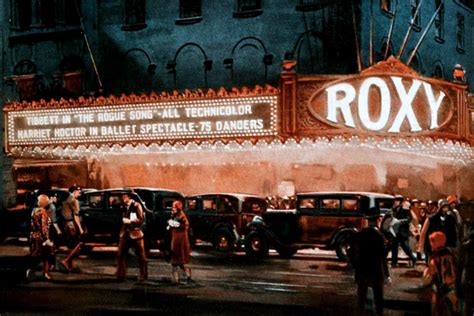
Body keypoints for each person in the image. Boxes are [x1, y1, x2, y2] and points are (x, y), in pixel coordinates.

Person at [349, 206, 389, 316]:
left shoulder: (360, 234)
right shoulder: (379, 236)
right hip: (376, 270)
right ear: (377, 220)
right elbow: (383, 256)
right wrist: (386, 274)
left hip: (362, 270)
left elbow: (352, 252)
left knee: (361, 297)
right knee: (378, 298)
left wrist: (355, 266)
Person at [422, 231, 459, 316]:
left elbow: (431, 275)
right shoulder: (452, 254)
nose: (430, 245)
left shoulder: (434, 258)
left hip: (442, 289)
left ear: (435, 243)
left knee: (437, 310)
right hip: (453, 287)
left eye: (431, 242)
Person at [116, 192, 147, 282]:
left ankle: (143, 275)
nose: (122, 198)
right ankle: (120, 275)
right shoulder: (123, 206)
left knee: (141, 255)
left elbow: (141, 219)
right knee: (121, 255)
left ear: (128, 197)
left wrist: (130, 221)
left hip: (135, 234)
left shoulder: (136, 205)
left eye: (124, 196)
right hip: (125, 233)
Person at [418, 199, 458, 264]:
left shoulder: (451, 219)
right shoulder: (431, 218)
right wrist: (421, 247)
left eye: (447, 207)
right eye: (444, 207)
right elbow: (423, 232)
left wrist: (453, 245)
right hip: (432, 244)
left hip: (445, 245)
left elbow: (453, 232)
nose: (445, 209)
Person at [27, 194, 54, 280]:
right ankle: (42, 273)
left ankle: (37, 272)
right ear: (44, 202)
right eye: (47, 201)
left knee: (35, 254)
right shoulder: (43, 212)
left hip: (33, 236)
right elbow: (44, 227)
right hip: (41, 238)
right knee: (45, 255)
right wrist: (47, 239)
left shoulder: (34, 210)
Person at [60, 185, 84, 272]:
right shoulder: (74, 201)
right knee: (78, 244)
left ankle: (70, 266)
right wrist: (80, 229)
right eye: (79, 192)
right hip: (71, 224)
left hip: (65, 224)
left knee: (72, 246)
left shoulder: (66, 200)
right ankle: (66, 261)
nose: (80, 194)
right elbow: (76, 216)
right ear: (74, 192)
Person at [168, 200, 193, 285]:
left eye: (174, 207)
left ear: (178, 208)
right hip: (175, 239)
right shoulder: (174, 215)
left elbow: (185, 226)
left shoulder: (182, 216)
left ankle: (177, 279)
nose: (173, 209)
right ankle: (178, 278)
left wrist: (177, 224)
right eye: (172, 207)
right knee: (176, 262)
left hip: (180, 241)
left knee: (177, 262)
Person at [391, 199, 417, 267]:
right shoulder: (395, 209)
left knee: (405, 246)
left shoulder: (405, 208)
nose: (396, 202)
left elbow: (408, 219)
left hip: (402, 230)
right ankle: (394, 262)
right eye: (395, 200)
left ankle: (413, 258)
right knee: (394, 246)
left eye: (397, 200)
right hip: (396, 230)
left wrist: (399, 222)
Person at [458, 222, 474, 316]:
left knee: (468, 306)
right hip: (469, 279)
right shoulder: (466, 246)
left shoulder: (466, 245)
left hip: (469, 279)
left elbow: (461, 265)